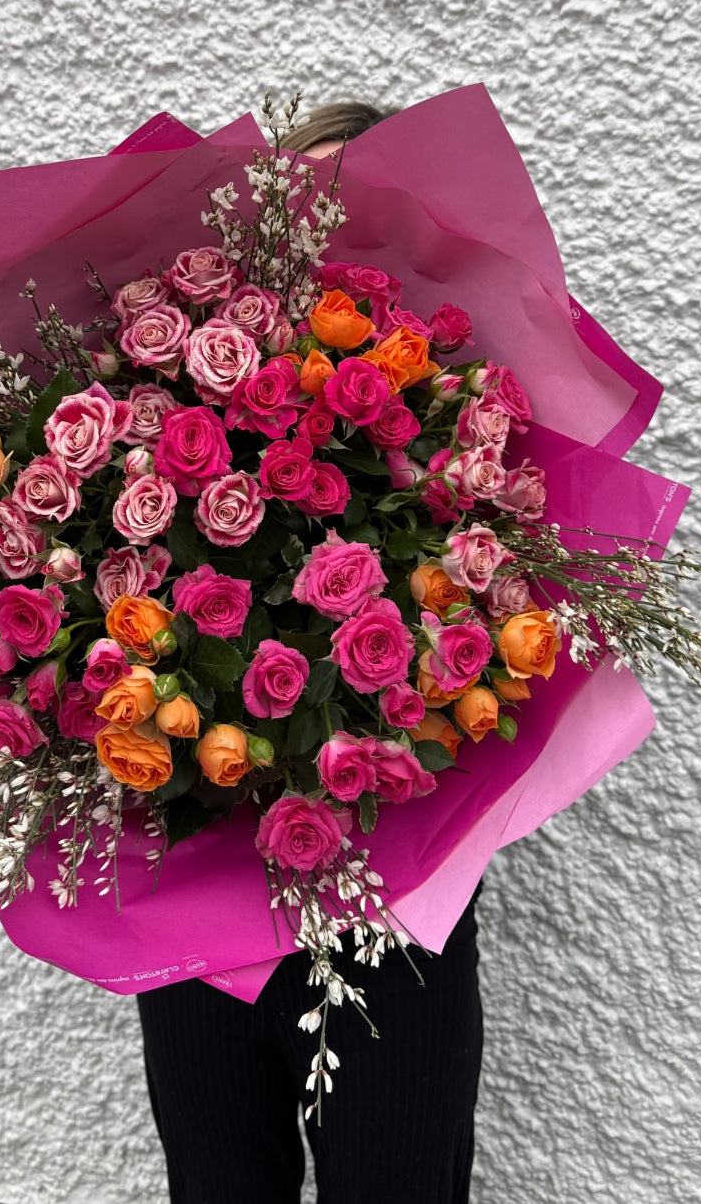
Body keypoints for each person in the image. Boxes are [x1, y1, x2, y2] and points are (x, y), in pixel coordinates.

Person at [134, 101, 484, 1204]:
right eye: (304, 204)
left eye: (358, 209)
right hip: (201, 894)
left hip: (391, 907)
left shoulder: (459, 432)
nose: (324, 235)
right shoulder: (171, 411)